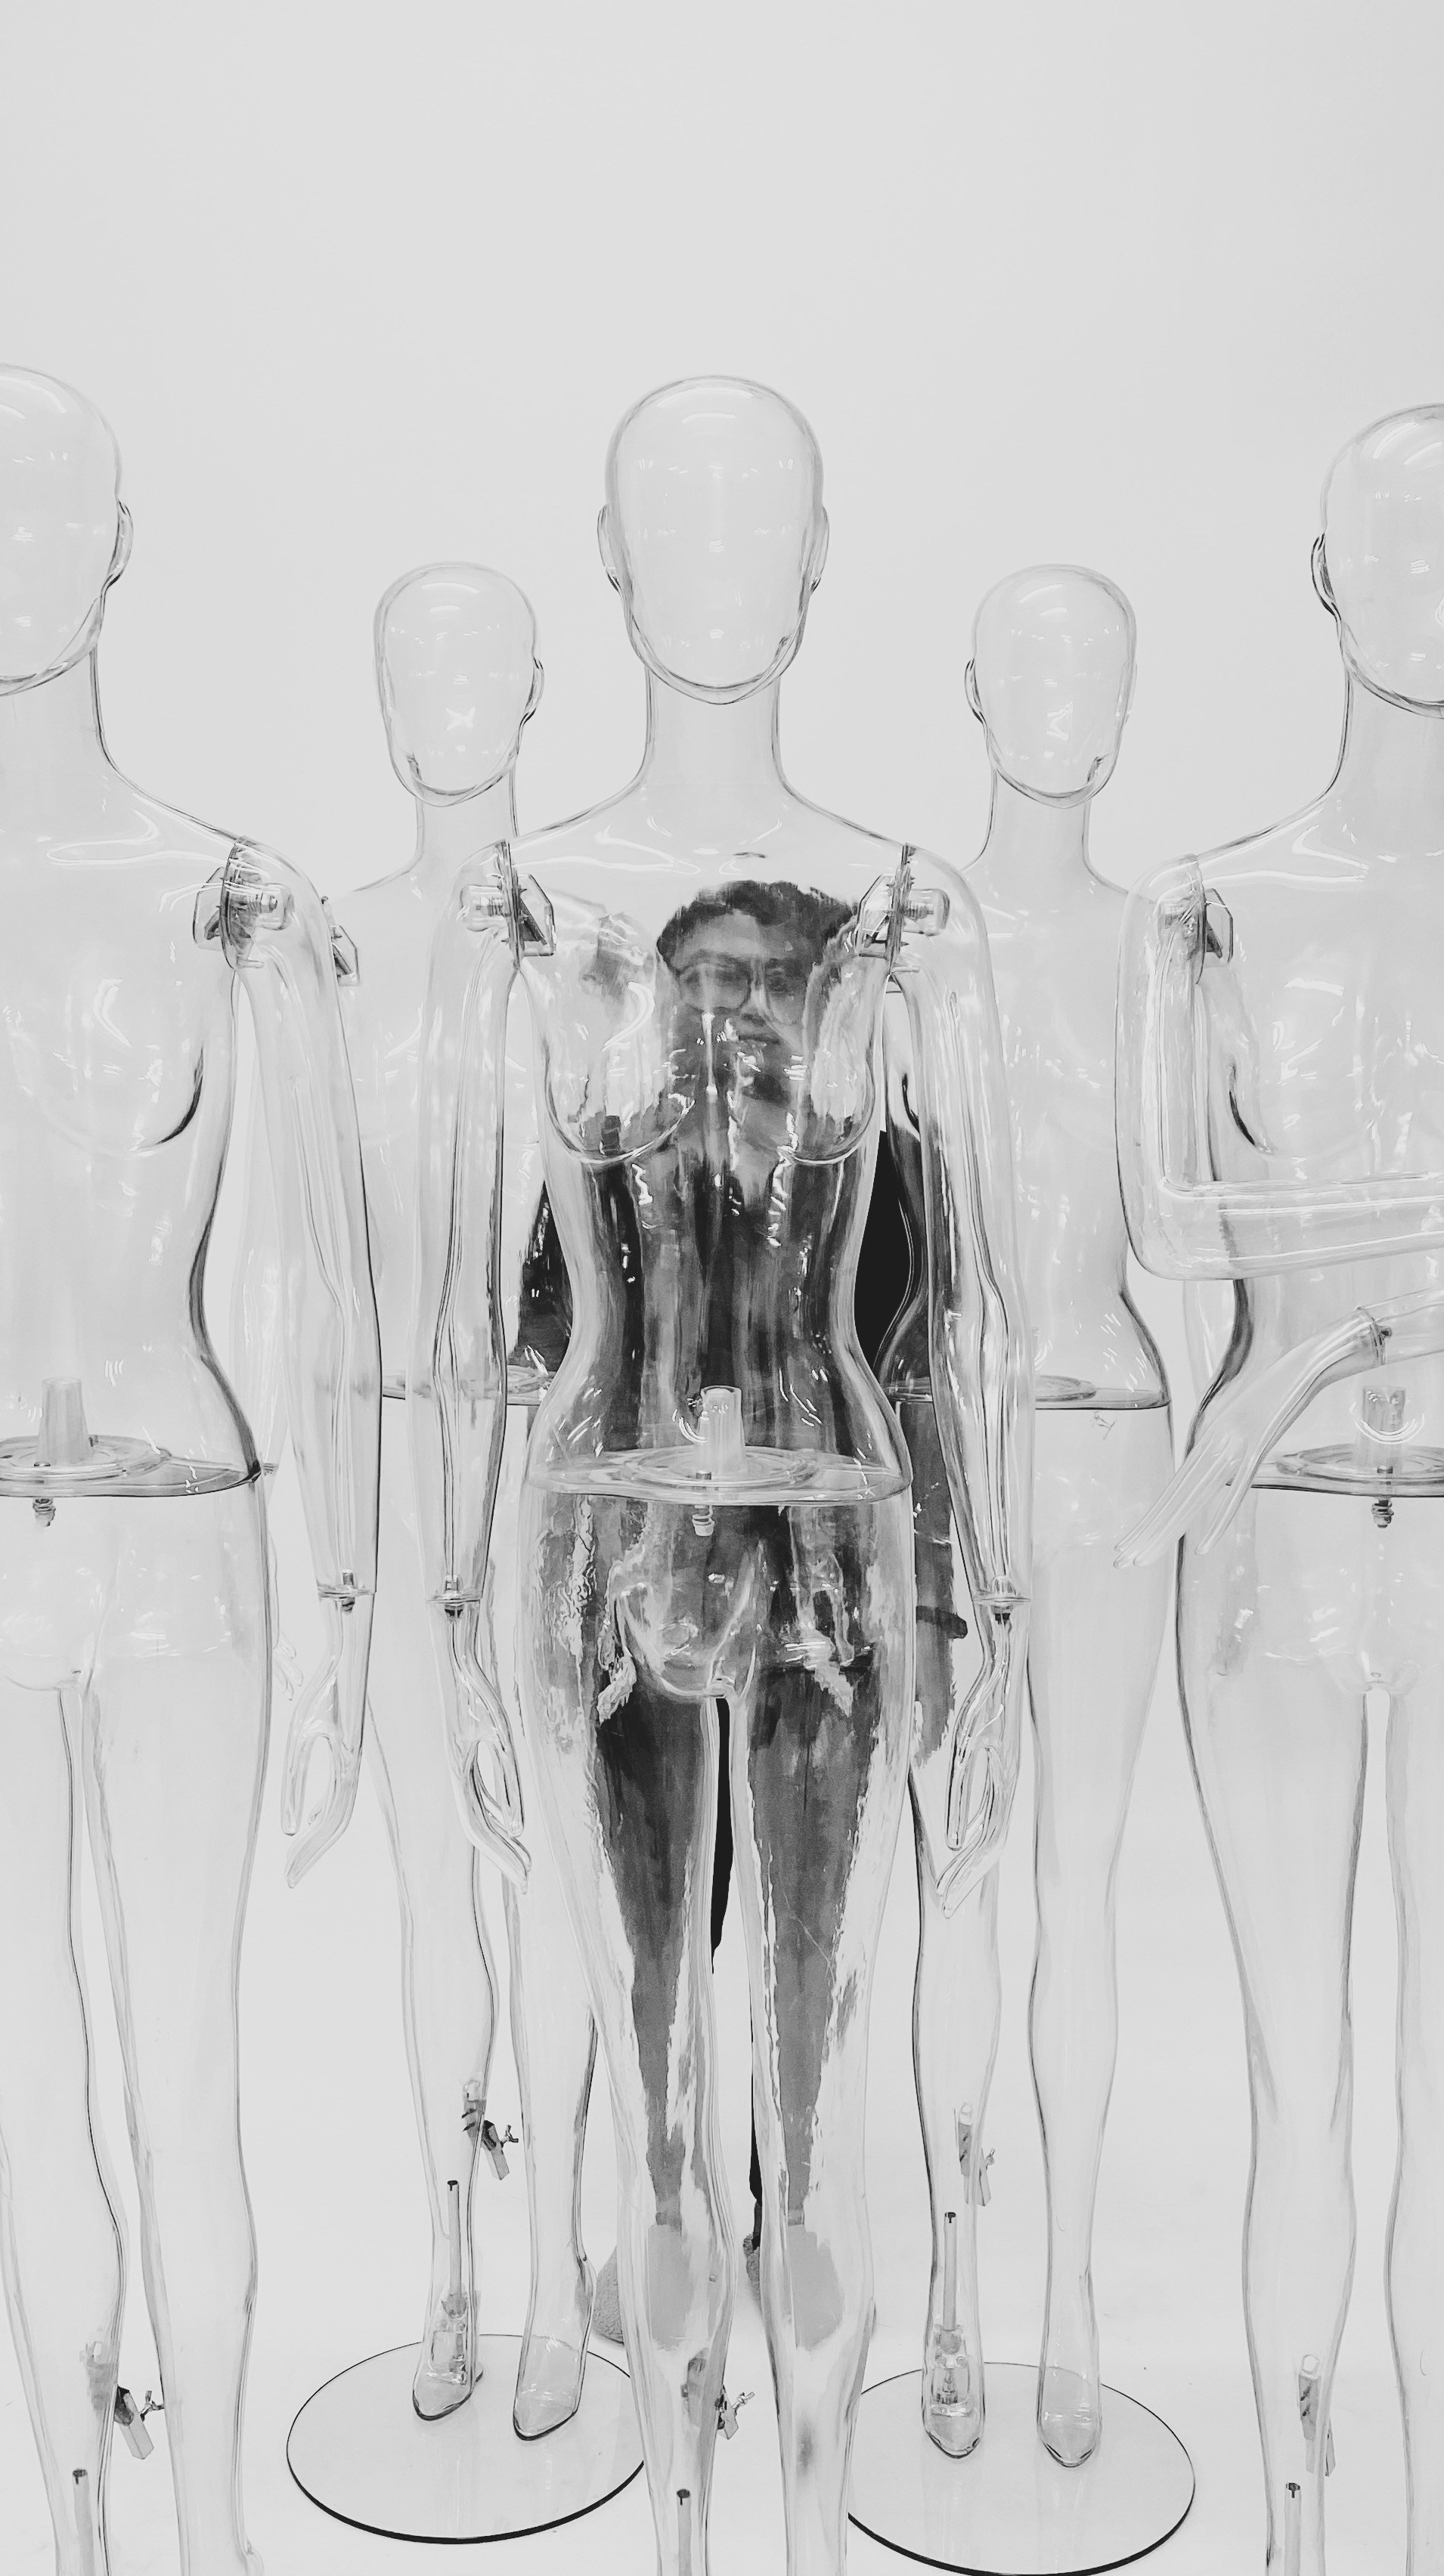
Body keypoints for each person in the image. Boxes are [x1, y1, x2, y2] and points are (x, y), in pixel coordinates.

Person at [410, 377, 1031, 2576]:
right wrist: (457, 1630)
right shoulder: (539, 919)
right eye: (668, 522)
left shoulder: (901, 923)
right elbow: (505, 1337)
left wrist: (977, 1611)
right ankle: (681, 2513)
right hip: (607, 1554)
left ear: (822, 559)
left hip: (840, 1561)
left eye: (760, 521)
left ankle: (803, 2522)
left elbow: (936, 1329)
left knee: (812, 2102)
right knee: (654, 2106)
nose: (715, 563)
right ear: (603, 556)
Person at [0, 368, 378, 2576]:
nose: (15, 551)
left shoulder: (231, 902)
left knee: (183, 2074)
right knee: (19, 2080)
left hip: (186, 1555)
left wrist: (345, 1612)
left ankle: (211, 2535)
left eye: (52, 509)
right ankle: (73, 2532)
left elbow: (321, 1298)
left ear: (122, 547)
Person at [1116, 407, 1444, 2576]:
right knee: (1295, 2081)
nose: (1423, 581)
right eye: (1387, 543)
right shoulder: (1214, 911)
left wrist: (1331, 1262)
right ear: (1319, 577)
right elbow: (1168, 1217)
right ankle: (1305, 2536)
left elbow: (1236, 1224)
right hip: (1267, 1530)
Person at [234, 565, 600, 2432]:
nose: (440, 698)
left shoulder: (580, 952)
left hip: (542, 1462)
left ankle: (560, 2277)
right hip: (381, 1471)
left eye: (474, 668)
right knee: (428, 1878)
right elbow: (298, 1275)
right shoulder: (338, 954)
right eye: (409, 668)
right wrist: (325, 1583)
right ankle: (453, 2246)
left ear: (535, 691)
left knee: (559, 1869)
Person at [879, 567, 1173, 2466]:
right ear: (972, 691)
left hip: (1121, 1444)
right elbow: (880, 1248)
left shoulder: (1165, 946)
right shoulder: (914, 943)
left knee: (1082, 1874)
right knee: (952, 1882)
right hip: (951, 1458)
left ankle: (1066, 2289)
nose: (1070, 701)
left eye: (1102, 672)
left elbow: (1204, 1228)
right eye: (1036, 668)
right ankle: (947, 2289)